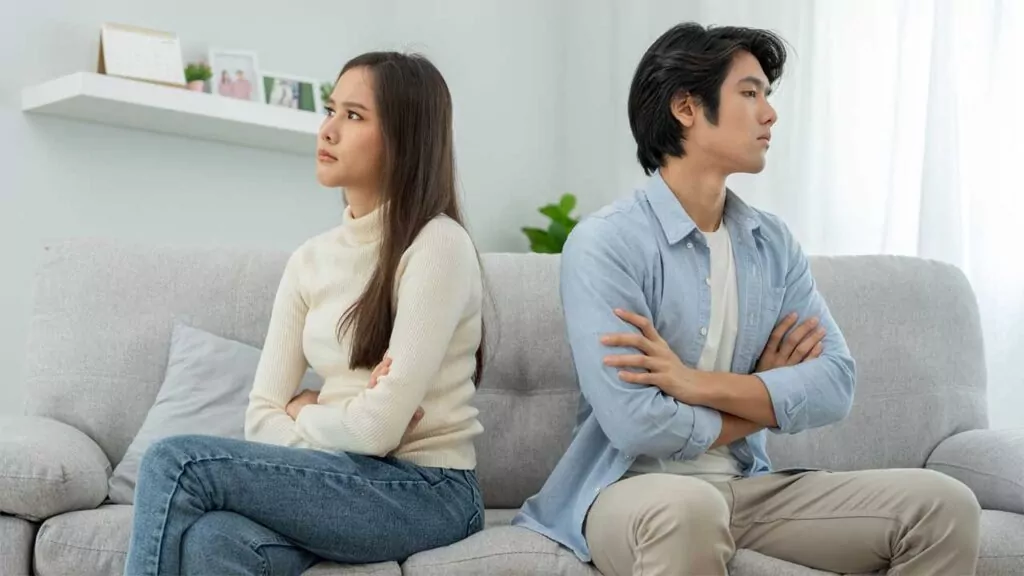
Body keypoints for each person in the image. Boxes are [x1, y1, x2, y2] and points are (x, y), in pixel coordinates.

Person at [512, 22, 981, 576]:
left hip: (746, 490)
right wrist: (760, 397)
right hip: (630, 493)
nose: (769, 113)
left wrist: (695, 384)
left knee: (944, 505)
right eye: (750, 93)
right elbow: (636, 424)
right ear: (687, 107)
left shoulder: (771, 243)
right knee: (691, 509)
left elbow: (835, 383)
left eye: (767, 95)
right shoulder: (606, 243)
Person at [124, 51, 486, 576]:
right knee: (213, 540)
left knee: (173, 463)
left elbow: (376, 433)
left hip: (427, 491)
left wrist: (301, 413)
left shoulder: (437, 246)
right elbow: (261, 415)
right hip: (336, 477)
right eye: (330, 110)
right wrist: (340, 420)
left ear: (404, 138)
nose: (328, 130)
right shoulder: (309, 260)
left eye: (354, 116)